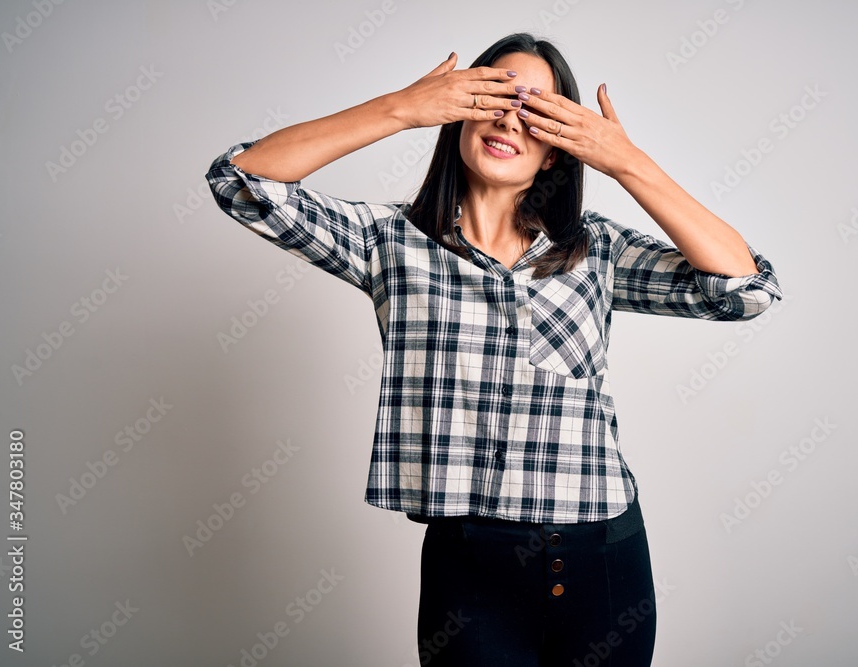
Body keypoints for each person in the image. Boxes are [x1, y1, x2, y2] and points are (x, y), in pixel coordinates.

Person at [205, 31, 782, 667]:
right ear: (458, 113)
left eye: (536, 111)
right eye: (492, 97)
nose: (509, 118)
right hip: (471, 568)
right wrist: (401, 108)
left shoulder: (598, 252)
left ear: (558, 152)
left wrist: (625, 161)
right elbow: (239, 181)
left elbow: (745, 288)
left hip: (604, 558)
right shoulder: (390, 242)